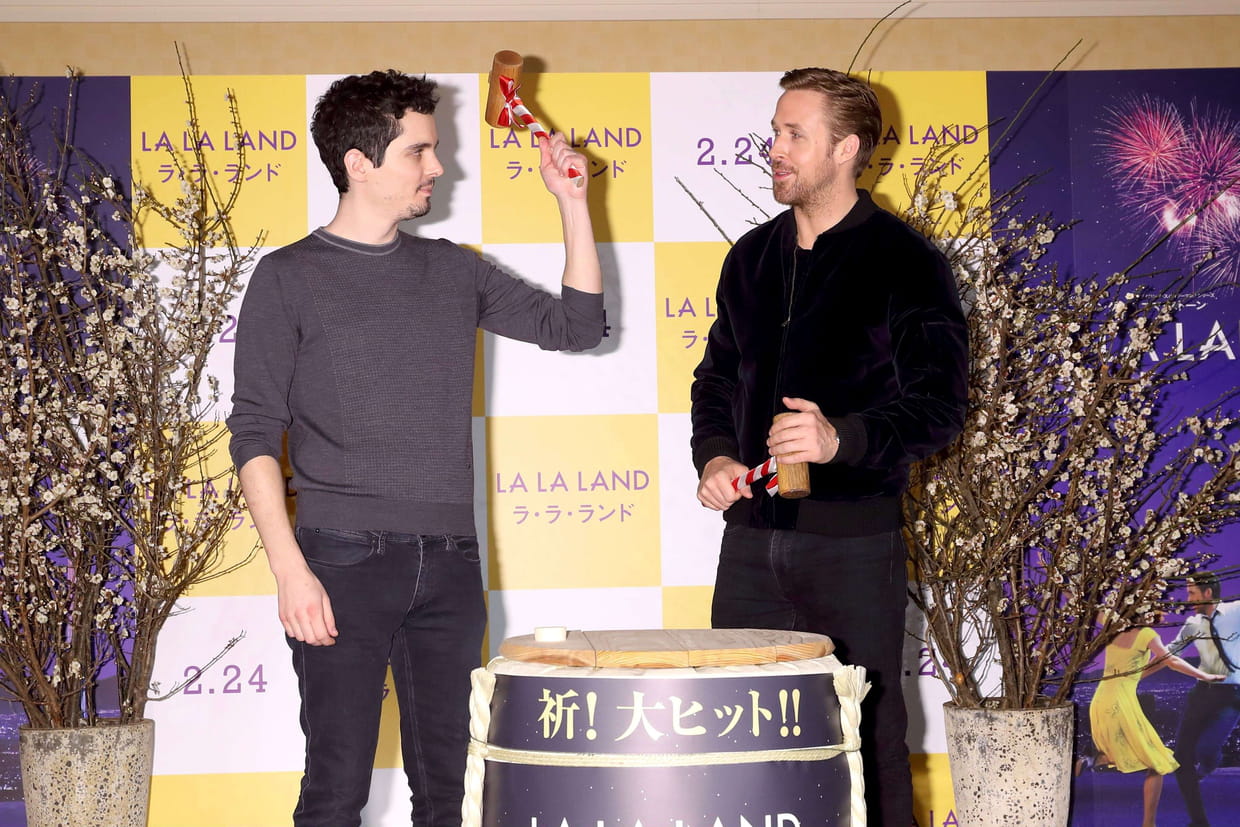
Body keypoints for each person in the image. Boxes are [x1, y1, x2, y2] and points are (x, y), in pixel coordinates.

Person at [226, 70, 604, 827]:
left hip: (452, 562)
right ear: (358, 163)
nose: (438, 166)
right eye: (419, 151)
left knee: (455, 795)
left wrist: (572, 203)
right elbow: (254, 433)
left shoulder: (453, 269)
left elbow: (579, 327)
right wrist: (291, 570)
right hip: (339, 562)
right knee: (336, 792)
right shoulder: (288, 277)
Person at [689, 67, 968, 827]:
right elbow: (716, 378)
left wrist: (841, 437)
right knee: (740, 734)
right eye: (775, 132)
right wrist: (715, 455)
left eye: (794, 134)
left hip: (853, 547)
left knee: (866, 737)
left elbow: (940, 409)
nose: (774, 149)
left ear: (846, 148)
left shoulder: (905, 261)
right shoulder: (750, 257)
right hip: (750, 544)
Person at [1084, 620, 1222, 827]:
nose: (1163, 614)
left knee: (1112, 756)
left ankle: (1084, 762)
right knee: (1157, 763)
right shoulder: (1147, 634)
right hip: (1120, 704)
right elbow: (1171, 661)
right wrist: (1204, 675)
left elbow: (1136, 673)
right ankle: (1149, 824)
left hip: (1100, 702)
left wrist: (1164, 659)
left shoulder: (1114, 627)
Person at [1167, 571, 1240, 827]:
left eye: (1192, 593)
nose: (1188, 599)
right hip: (1202, 692)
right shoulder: (1193, 624)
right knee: (1181, 757)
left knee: (1206, 750)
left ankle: (1208, 765)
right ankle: (1199, 821)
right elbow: (1170, 653)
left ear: (1208, 593)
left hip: (1232, 695)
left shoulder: (1235, 612)